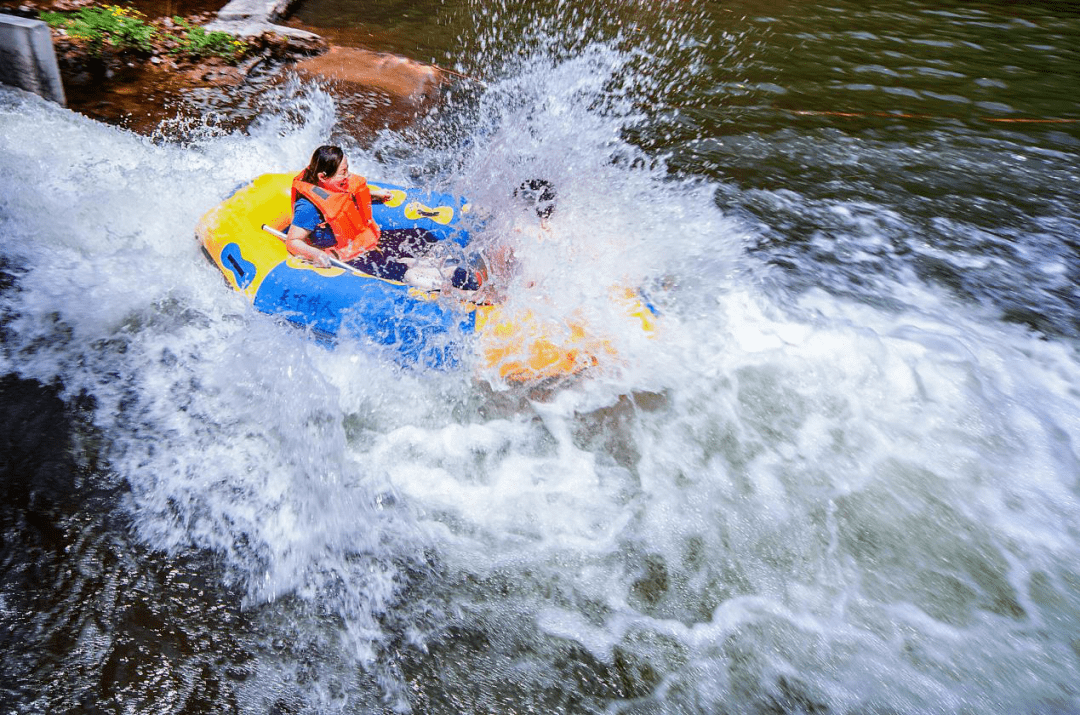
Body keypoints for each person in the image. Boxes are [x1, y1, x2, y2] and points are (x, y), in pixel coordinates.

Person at [285, 145, 481, 290]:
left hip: (367, 240)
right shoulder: (308, 208)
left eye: (348, 169)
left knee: (422, 236)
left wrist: (374, 195)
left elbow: (344, 199)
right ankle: (459, 282)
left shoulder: (336, 185)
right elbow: (293, 241)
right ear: (322, 177)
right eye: (343, 172)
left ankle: (446, 263)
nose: (349, 176)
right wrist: (315, 254)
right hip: (349, 255)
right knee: (407, 272)